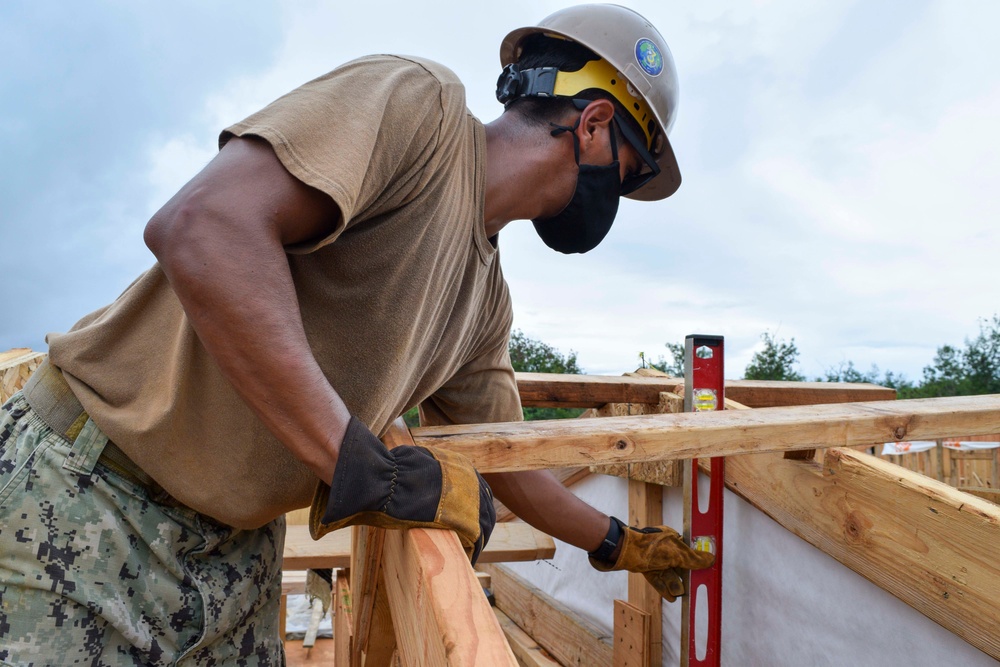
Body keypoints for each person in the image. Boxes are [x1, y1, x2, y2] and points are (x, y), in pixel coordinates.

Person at [0, 4, 712, 664]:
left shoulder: (483, 300)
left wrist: (620, 543)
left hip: (235, 548)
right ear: (591, 124)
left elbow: (511, 464)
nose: (612, 202)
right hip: (90, 493)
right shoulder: (420, 110)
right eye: (626, 176)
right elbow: (205, 226)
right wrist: (367, 473)